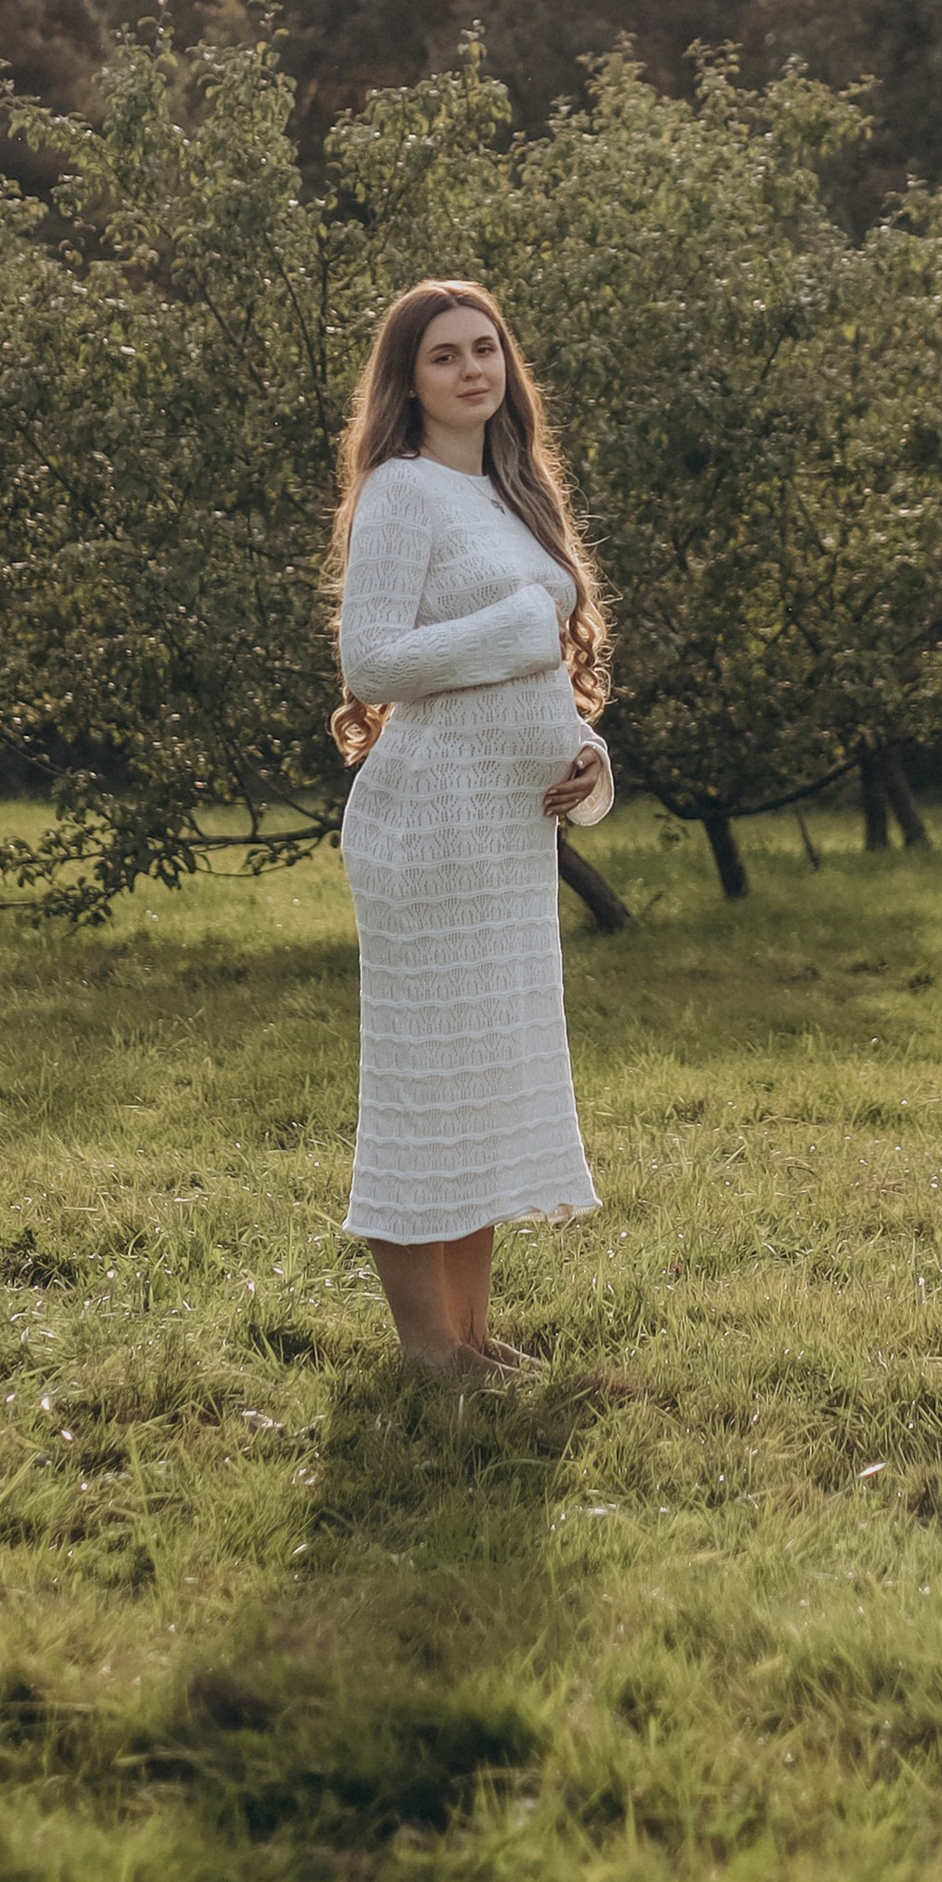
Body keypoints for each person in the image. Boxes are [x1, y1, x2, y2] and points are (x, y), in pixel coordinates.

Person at [328, 277, 615, 1376]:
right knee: (426, 1089)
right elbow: (372, 664)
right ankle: (424, 1353)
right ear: (407, 379)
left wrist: (589, 760)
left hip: (503, 841)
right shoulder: (400, 494)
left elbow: (547, 677)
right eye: (443, 355)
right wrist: (515, 627)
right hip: (427, 833)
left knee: (486, 1086)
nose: (471, 370)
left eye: (484, 349)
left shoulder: (509, 492)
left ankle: (473, 1337)